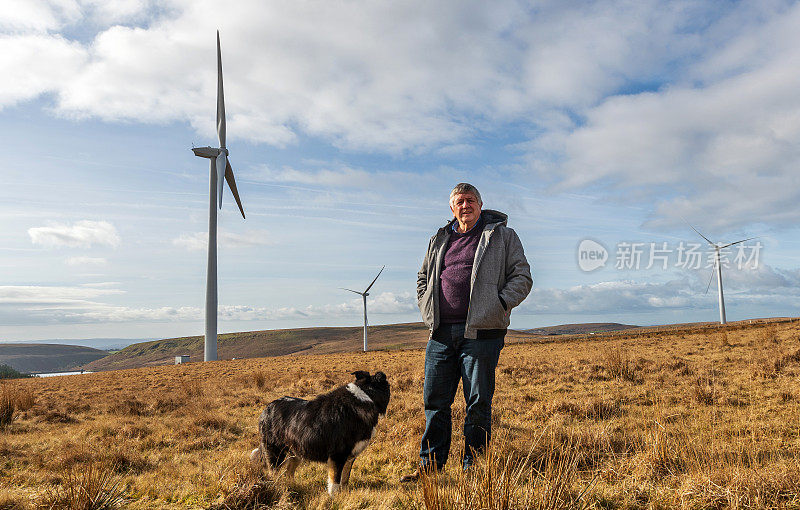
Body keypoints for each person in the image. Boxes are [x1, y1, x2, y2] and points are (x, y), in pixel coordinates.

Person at [402, 183, 532, 480]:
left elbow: (522, 276)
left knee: (477, 401)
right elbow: (423, 276)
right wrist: (426, 305)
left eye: (470, 200)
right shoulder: (439, 238)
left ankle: (474, 469)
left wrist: (498, 304)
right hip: (440, 333)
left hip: (482, 333)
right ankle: (430, 468)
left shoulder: (502, 235)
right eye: (459, 202)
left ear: (481, 205)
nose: (465, 206)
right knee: (435, 401)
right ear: (452, 208)